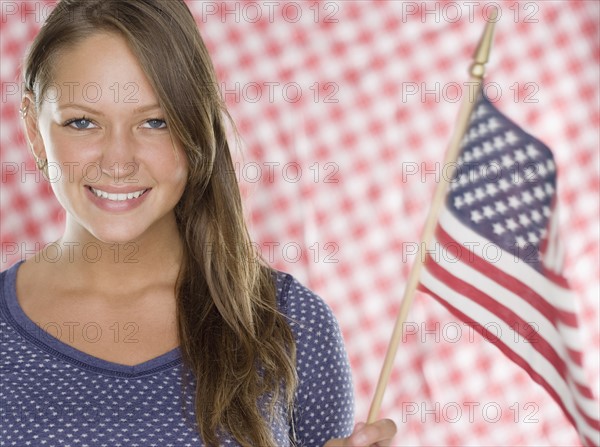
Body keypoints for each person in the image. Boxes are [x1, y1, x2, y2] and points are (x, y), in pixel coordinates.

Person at [0, 1, 397, 446]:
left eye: (155, 121)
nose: (118, 162)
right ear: (34, 129)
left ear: (196, 127)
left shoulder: (290, 322)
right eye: (82, 122)